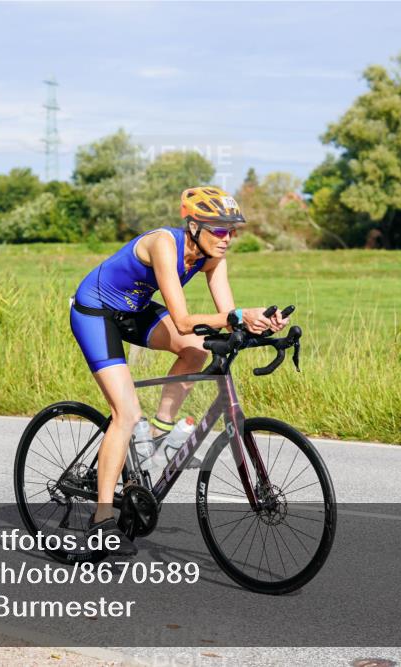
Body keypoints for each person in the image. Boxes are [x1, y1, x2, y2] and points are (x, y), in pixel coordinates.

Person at [69, 185, 290, 555]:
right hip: (96, 312)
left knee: (197, 352)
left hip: (134, 309)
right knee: (125, 413)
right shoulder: (163, 244)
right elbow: (184, 320)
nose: (227, 239)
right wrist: (238, 316)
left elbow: (229, 317)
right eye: (219, 230)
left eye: (232, 231)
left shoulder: (212, 256)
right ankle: (101, 521)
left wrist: (258, 324)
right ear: (193, 226)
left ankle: (156, 435)